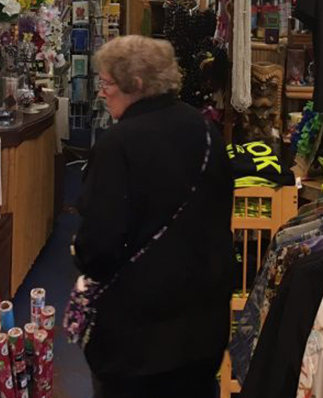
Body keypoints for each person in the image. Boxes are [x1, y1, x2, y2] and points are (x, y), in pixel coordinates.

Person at [73, 35, 235, 398]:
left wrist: (78, 254)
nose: (102, 93)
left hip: (138, 333)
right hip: (203, 324)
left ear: (137, 85)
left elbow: (99, 247)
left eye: (107, 83)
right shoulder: (206, 131)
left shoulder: (118, 145)